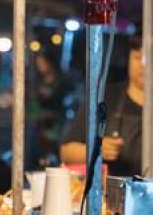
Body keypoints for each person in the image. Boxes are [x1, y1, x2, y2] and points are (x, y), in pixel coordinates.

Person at [60, 35, 144, 177]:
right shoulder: (104, 97)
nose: (143, 65)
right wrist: (97, 150)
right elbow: (66, 152)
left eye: (150, 59)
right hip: (114, 195)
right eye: (137, 57)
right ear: (128, 59)